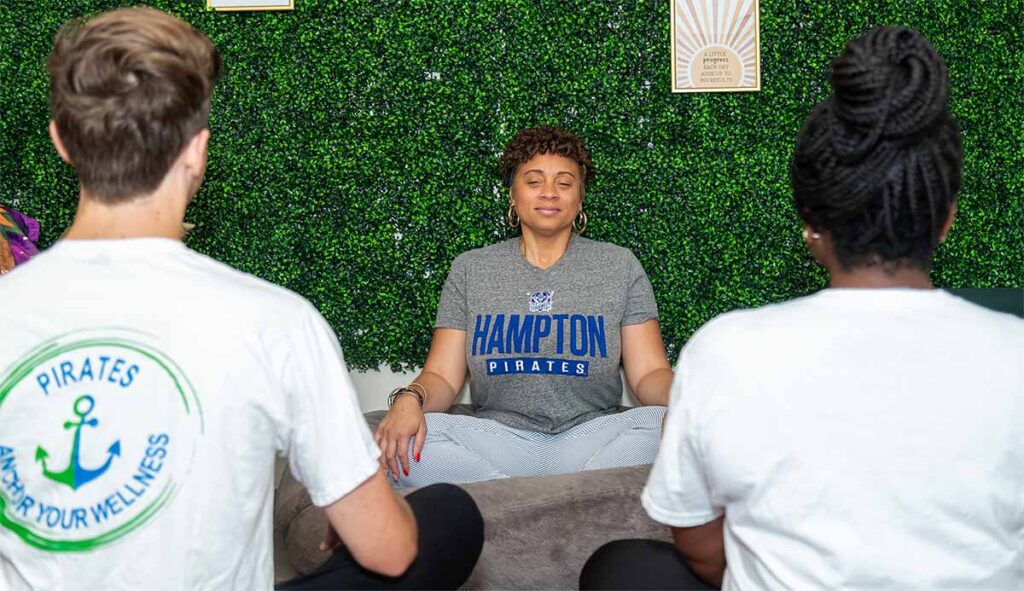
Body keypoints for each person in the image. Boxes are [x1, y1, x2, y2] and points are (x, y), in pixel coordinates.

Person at [0, 8, 481, 590]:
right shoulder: (278, 321)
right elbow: (390, 553)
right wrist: (356, 512)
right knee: (449, 516)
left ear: (61, 142)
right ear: (197, 149)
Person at [580, 26, 1024, 590]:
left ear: (810, 224)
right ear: (947, 218)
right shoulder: (1015, 354)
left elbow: (700, 546)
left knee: (620, 568)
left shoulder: (726, 350)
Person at [374, 126, 674, 487]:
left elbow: (648, 374)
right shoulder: (471, 268)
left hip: (592, 437)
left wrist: (687, 402)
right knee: (393, 443)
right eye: (534, 181)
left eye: (564, 183)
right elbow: (442, 376)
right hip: (501, 438)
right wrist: (410, 399)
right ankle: (566, 497)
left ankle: (509, 494)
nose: (550, 192)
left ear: (580, 199)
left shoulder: (619, 265)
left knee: (665, 427)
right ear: (513, 196)